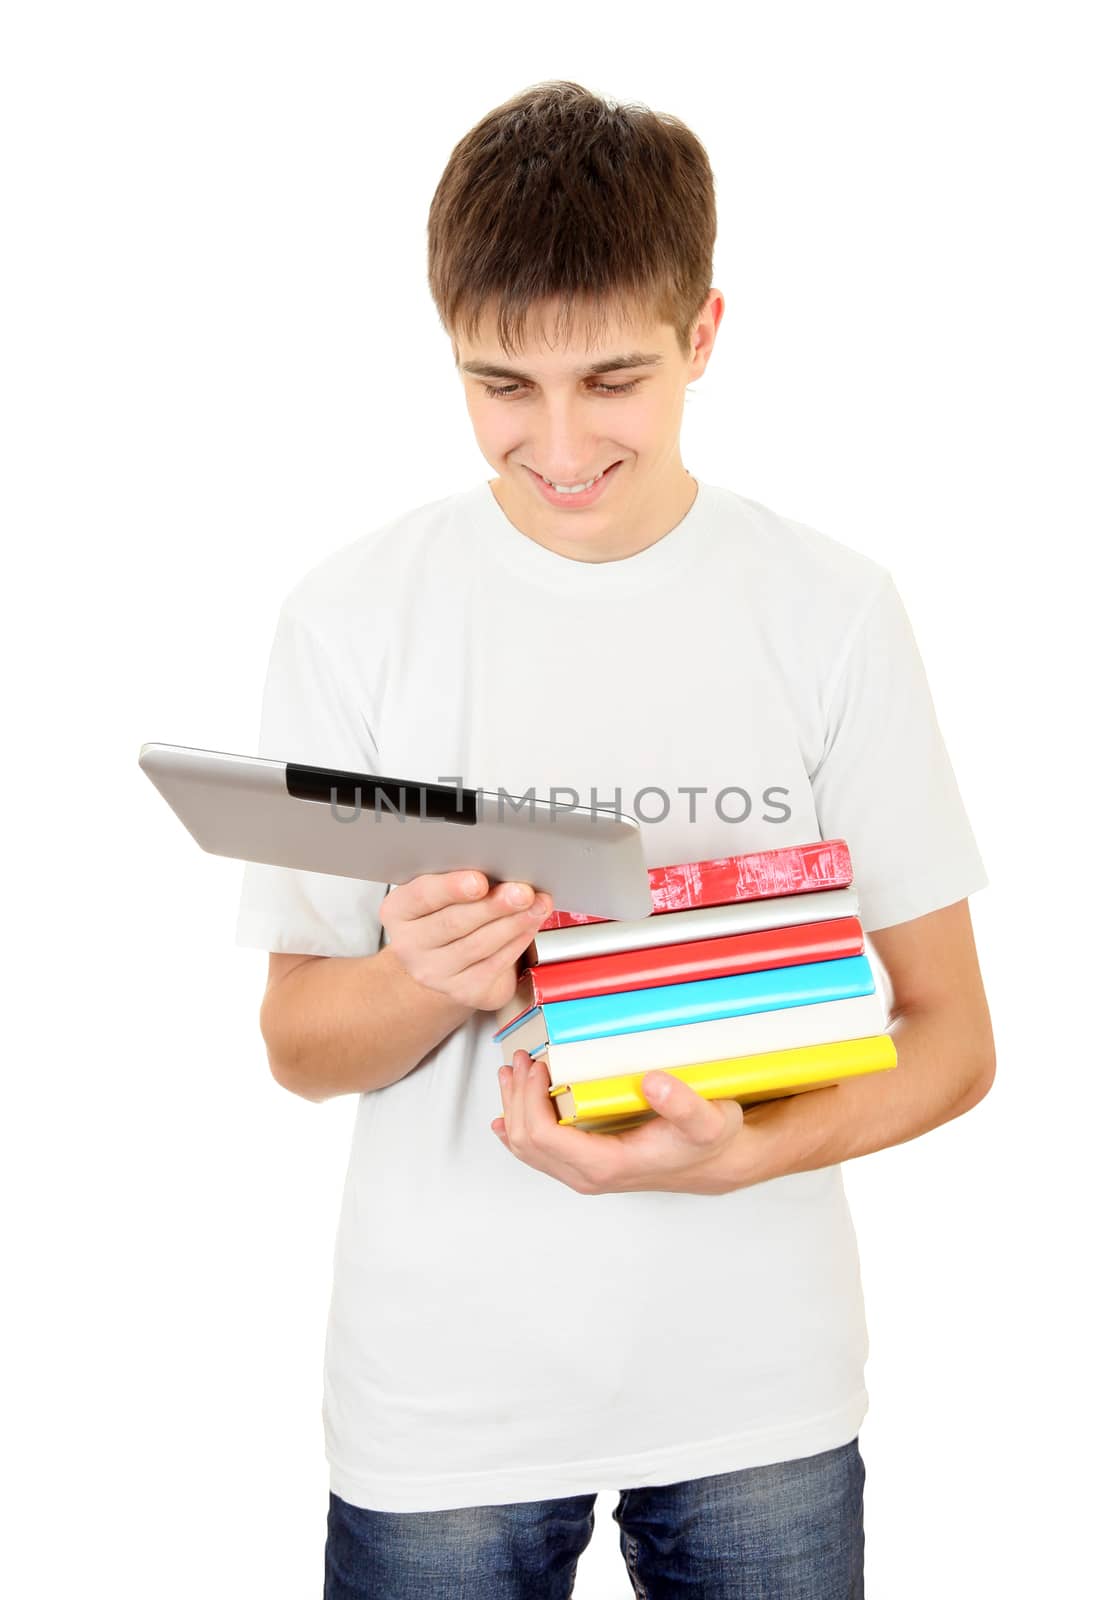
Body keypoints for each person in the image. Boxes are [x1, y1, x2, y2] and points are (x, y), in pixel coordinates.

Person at [235, 80, 995, 1599]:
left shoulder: (827, 610)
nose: (561, 441)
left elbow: (954, 1039)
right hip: (441, 1401)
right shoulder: (354, 616)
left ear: (704, 335)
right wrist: (427, 979)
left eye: (614, 378)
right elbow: (299, 1046)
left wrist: (737, 1161)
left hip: (756, 1388)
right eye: (501, 385)